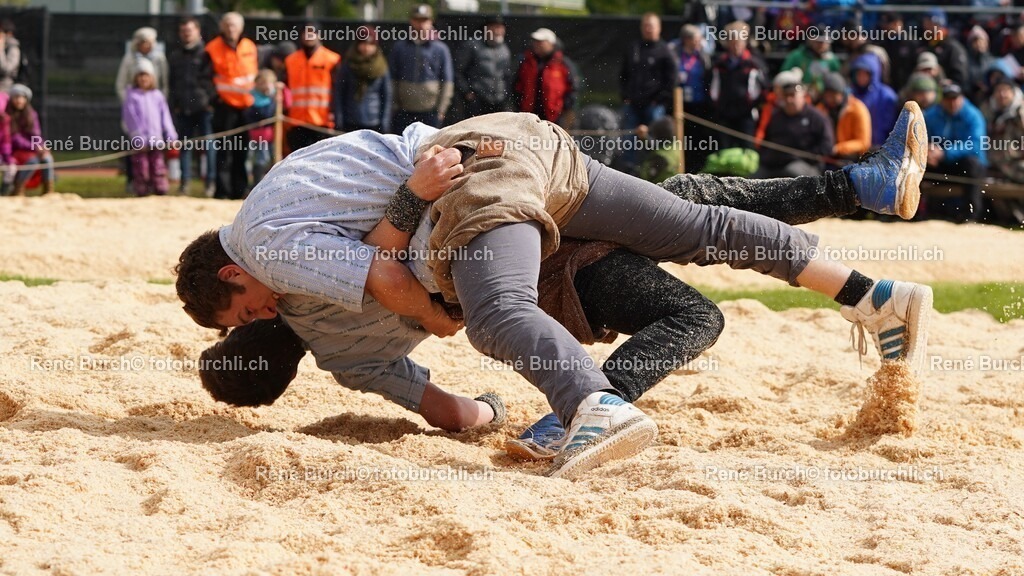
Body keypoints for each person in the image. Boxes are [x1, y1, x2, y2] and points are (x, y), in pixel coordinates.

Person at [175, 107, 932, 479]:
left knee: (500, 314)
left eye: (246, 308)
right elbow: (379, 247)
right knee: (696, 215)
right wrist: (405, 205)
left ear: (235, 278)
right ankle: (873, 294)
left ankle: (593, 406)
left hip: (476, 194)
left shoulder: (266, 248)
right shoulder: (279, 200)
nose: (267, 310)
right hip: (523, 142)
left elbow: (390, 279)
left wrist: (440, 319)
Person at [204, 12, 257, 200]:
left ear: (241, 27)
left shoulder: (250, 46)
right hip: (224, 108)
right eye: (227, 25)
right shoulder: (212, 48)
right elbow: (205, 78)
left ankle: (240, 189)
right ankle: (223, 191)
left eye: (234, 25)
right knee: (224, 150)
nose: (231, 29)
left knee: (242, 151)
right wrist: (215, 98)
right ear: (222, 27)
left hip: (246, 107)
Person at [924, 83, 989, 222]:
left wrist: (945, 153)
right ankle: (915, 212)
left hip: (965, 165)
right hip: (938, 163)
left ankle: (971, 216)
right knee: (915, 165)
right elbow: (921, 138)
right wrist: (927, 151)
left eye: (955, 98)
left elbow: (976, 144)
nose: (952, 102)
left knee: (972, 165)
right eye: (948, 98)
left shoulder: (973, 115)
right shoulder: (930, 115)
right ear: (942, 100)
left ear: (962, 98)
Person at [755, 70, 834, 178]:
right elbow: (766, 142)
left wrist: (801, 155)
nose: (789, 99)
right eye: (786, 95)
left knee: (790, 172)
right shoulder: (776, 116)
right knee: (754, 177)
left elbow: (827, 147)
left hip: (806, 165)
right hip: (774, 164)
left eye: (793, 95)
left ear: (802, 95)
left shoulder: (817, 118)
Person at [168, 17, 215, 197]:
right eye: (184, 31)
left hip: (204, 108)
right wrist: (175, 105)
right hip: (183, 108)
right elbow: (172, 84)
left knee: (209, 146)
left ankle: (210, 183)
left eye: (190, 30)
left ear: (198, 31)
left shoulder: (206, 54)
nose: (187, 34)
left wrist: (209, 101)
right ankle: (184, 183)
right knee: (184, 147)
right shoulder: (175, 56)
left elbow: (212, 79)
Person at [389, 4, 454, 133]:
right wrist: (394, 105)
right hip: (404, 110)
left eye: (424, 20)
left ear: (431, 22)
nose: (421, 24)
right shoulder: (400, 47)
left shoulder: (440, 49)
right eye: (417, 20)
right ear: (411, 21)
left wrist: (441, 109)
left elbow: (447, 80)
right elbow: (392, 78)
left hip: (430, 111)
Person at [709, 21, 768, 150]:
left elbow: (763, 89)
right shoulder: (719, 64)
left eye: (739, 42)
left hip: (746, 113)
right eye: (733, 42)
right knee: (725, 149)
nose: (736, 46)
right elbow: (713, 88)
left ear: (745, 43)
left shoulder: (754, 64)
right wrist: (718, 105)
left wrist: (752, 104)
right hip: (724, 112)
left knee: (747, 149)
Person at [122, 59, 178, 197]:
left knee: (158, 166)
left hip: (156, 141)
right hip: (140, 142)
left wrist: (171, 135)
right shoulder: (132, 96)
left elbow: (165, 117)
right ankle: (142, 191)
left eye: (146, 75)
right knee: (142, 168)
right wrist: (137, 138)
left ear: (152, 77)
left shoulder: (157, 96)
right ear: (135, 78)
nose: (143, 78)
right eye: (140, 75)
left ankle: (160, 190)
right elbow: (130, 118)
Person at [283, 22, 341, 153]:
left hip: (322, 121)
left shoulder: (332, 59)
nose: (308, 36)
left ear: (319, 36)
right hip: (296, 120)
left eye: (312, 33)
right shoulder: (291, 60)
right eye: (305, 33)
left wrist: (334, 114)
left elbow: (337, 90)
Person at [619, 13, 676, 141]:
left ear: (659, 28)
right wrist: (625, 96)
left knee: (655, 139)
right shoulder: (634, 48)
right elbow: (623, 74)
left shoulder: (666, 51)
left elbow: (672, 79)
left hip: (654, 106)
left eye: (651, 26)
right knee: (629, 139)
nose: (647, 29)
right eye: (645, 26)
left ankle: (655, 161)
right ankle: (629, 162)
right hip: (632, 104)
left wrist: (660, 99)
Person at [513, 28, 575, 126]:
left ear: (551, 44)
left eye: (541, 42)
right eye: (535, 42)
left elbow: (572, 88)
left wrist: (565, 108)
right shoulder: (525, 61)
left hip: (554, 116)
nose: (536, 44)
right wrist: (518, 105)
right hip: (528, 114)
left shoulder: (563, 64)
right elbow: (517, 85)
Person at [454, 15, 512, 119]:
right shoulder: (472, 45)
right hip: (478, 101)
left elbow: (506, 75)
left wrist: (506, 95)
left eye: (501, 27)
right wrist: (467, 92)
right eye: (495, 27)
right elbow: (458, 71)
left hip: (499, 101)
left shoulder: (504, 49)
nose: (498, 31)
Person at [335, 26, 391, 133]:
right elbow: (339, 93)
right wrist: (339, 119)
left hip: (374, 121)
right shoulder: (348, 64)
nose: (366, 48)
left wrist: (385, 121)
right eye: (363, 43)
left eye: (370, 44)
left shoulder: (381, 66)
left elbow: (387, 96)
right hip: (350, 120)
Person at [7, 84, 53, 196]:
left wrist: (41, 147)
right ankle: (18, 189)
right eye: (16, 97)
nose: (19, 100)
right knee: (33, 161)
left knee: (47, 158)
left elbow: (36, 134)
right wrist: (34, 147)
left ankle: (48, 191)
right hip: (15, 150)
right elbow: (15, 139)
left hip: (32, 149)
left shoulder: (31, 114)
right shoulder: (8, 115)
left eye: (22, 97)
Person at [817, 72, 871, 165]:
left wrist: (837, 149)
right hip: (826, 157)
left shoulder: (857, 109)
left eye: (833, 95)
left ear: (842, 93)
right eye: (827, 95)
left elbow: (863, 143)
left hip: (851, 159)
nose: (830, 99)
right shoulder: (820, 109)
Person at [246, 70, 288, 185]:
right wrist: (273, 102)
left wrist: (282, 91)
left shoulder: (272, 98)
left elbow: (287, 104)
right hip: (257, 137)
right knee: (259, 160)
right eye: (262, 83)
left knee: (271, 160)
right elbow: (264, 113)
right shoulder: (253, 98)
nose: (265, 86)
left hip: (271, 137)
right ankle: (256, 184)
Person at [849, 53, 898, 148]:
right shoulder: (851, 94)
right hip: (857, 147)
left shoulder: (886, 95)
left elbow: (891, 125)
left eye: (865, 74)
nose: (861, 78)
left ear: (873, 74)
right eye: (859, 74)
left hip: (881, 147)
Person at [780, 25, 841, 100]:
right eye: (818, 41)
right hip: (801, 95)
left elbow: (838, 80)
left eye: (825, 42)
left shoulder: (832, 60)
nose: (822, 45)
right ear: (810, 40)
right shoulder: (796, 56)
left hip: (825, 97)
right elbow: (784, 77)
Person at [115, 27, 168, 102]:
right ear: (138, 43)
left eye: (152, 42)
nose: (150, 45)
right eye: (146, 42)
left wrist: (160, 102)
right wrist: (128, 102)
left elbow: (165, 84)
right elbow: (120, 84)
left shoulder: (160, 58)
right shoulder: (129, 58)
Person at [920, 9, 968, 88]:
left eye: (929, 22)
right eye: (925, 21)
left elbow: (960, 76)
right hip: (924, 89)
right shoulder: (923, 43)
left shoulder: (952, 47)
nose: (926, 25)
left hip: (947, 92)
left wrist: (950, 83)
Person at [0, 19, 22, 92]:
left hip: (4, 89)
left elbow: (6, 69)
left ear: (9, 33)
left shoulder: (13, 48)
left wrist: (0, 49)